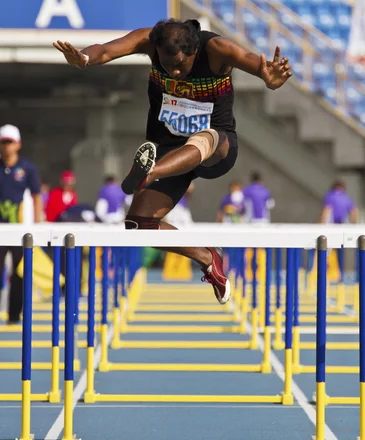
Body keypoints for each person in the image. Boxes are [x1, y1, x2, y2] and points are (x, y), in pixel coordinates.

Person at [53, 18, 292, 304]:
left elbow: (256, 63)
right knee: (138, 224)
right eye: (167, 67)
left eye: (181, 65)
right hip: (170, 149)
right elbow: (106, 50)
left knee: (206, 138)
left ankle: (149, 171)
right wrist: (85, 58)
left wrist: (268, 77)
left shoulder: (216, 48)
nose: (175, 73)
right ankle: (207, 257)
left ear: (194, 51)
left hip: (216, 147)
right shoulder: (149, 41)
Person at [0, 125, 42, 323]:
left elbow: (36, 196)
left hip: (20, 231)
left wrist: (36, 225)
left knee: (19, 273)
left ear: (18, 144)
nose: (6, 146)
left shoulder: (27, 168)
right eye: (3, 142)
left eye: (10, 142)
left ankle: (14, 315)